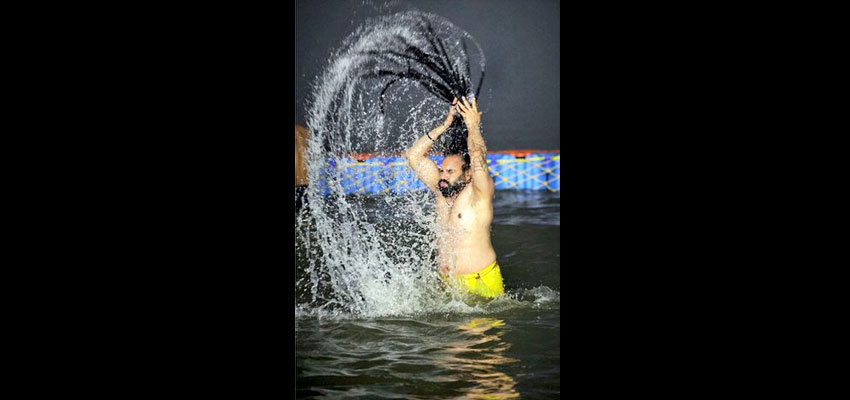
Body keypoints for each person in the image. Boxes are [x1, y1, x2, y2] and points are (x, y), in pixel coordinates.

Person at [404, 96, 504, 298]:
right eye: (442, 170)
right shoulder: (442, 190)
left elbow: (477, 157)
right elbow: (413, 156)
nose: (443, 176)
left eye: (450, 172)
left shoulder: (479, 194)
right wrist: (445, 125)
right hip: (448, 283)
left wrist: (473, 125)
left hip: (480, 282)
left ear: (468, 174)